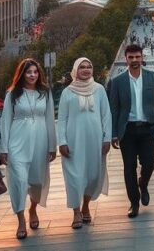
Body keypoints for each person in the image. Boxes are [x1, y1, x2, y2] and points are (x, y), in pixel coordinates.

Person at [0, 58, 57, 240]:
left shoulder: (44, 92)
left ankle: (33, 208)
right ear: (22, 74)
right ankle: (21, 220)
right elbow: (6, 121)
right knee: (19, 181)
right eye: (28, 72)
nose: (32, 75)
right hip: (17, 142)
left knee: (37, 181)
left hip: (40, 141)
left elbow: (49, 119)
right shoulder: (12, 94)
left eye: (35, 72)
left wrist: (52, 145)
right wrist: (4, 148)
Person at [108, 44, 154, 219]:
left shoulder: (152, 77)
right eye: (131, 57)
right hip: (128, 130)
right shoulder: (117, 82)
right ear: (125, 59)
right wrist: (114, 133)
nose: (134, 60)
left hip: (147, 128)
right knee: (129, 168)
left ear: (142, 58)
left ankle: (144, 183)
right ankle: (134, 202)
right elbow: (114, 109)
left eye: (137, 57)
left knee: (149, 164)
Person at [57, 57, 112, 228]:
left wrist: (107, 138)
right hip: (73, 142)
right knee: (74, 177)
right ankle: (76, 212)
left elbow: (106, 115)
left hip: (95, 141)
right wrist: (62, 141)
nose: (86, 70)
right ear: (75, 70)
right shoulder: (68, 92)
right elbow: (62, 119)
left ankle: (86, 205)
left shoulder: (99, 89)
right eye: (82, 67)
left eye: (89, 66)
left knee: (92, 175)